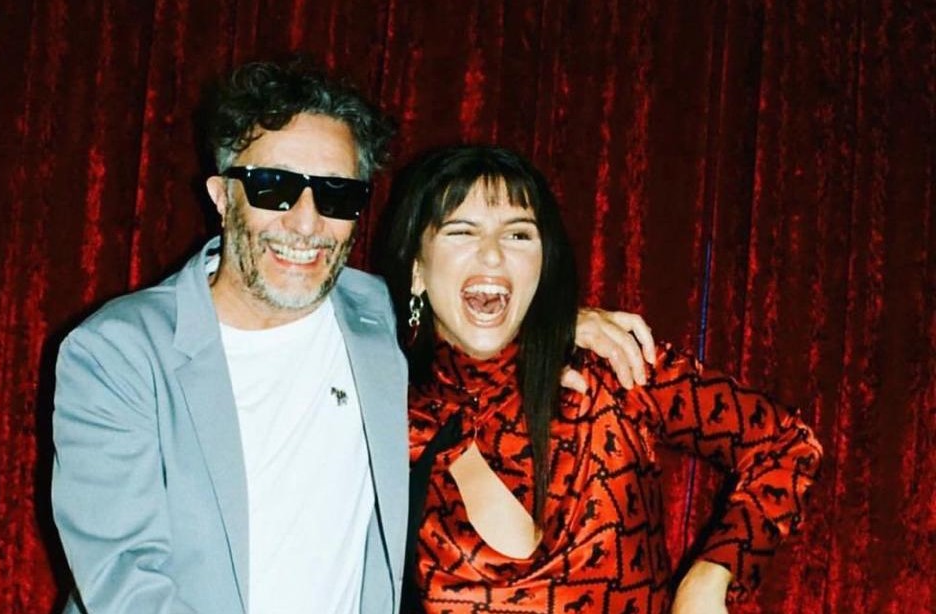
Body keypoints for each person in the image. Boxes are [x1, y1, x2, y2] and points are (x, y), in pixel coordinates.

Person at [51, 62, 654, 614]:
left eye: (337, 194)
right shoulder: (119, 352)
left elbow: (474, 309)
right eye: (272, 188)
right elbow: (128, 582)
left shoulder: (379, 317)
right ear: (221, 196)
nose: (306, 223)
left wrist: (559, 320)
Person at [384, 145, 823, 614]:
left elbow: (785, 442)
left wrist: (708, 580)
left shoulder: (612, 368)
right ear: (417, 271)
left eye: (518, 234)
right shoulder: (383, 424)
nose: (492, 255)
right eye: (461, 231)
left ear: (542, 264)